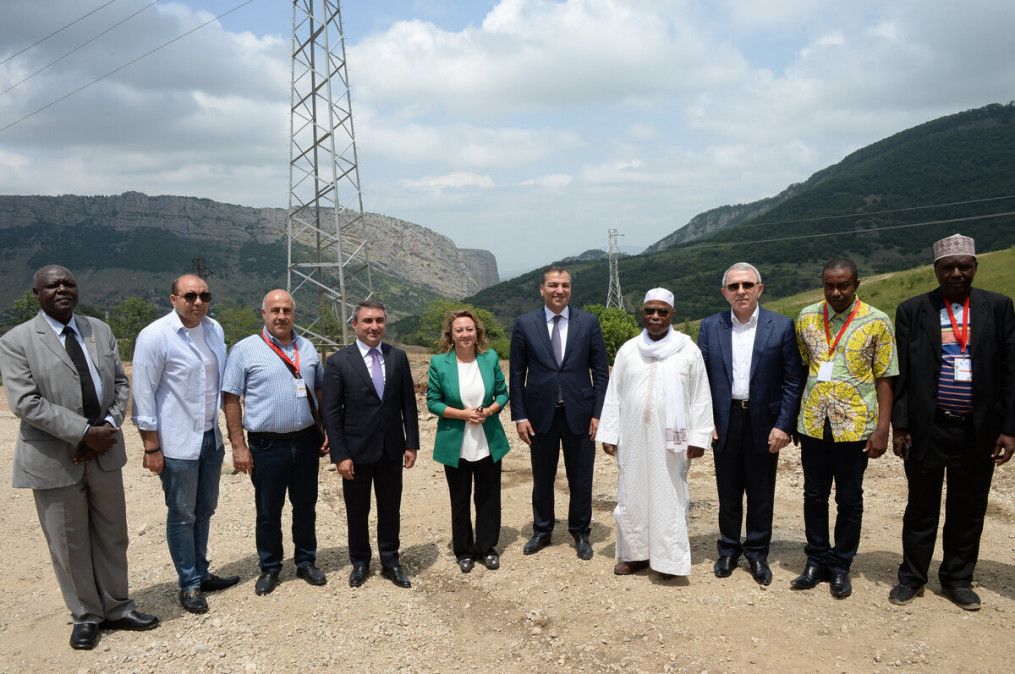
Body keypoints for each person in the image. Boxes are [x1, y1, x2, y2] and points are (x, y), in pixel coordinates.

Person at [0, 265, 158, 650]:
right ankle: (86, 615)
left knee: (111, 534)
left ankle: (118, 606)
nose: (62, 289)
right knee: (68, 542)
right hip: (55, 458)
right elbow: (25, 402)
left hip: (104, 452)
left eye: (68, 283)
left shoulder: (98, 330)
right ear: (37, 293)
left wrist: (106, 425)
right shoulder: (17, 340)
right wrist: (84, 433)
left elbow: (121, 383)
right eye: (52, 285)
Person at [890, 233, 1015, 611]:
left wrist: (1009, 428)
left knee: (969, 506)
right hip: (928, 427)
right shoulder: (913, 310)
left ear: (975, 267)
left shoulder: (998, 308)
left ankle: (957, 578)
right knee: (920, 506)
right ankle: (912, 576)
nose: (957, 273)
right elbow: (903, 376)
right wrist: (901, 425)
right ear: (936, 270)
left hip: (978, 429)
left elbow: (1011, 371)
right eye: (948, 267)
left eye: (964, 266)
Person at [131, 274, 239, 614]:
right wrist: (151, 447)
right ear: (173, 298)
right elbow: (143, 395)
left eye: (204, 296)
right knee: (182, 514)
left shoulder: (214, 329)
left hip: (210, 437)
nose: (198, 302)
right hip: (177, 443)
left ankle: (202, 571)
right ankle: (189, 583)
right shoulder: (155, 336)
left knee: (205, 509)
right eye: (190, 295)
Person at [792, 258, 898, 598]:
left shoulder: (877, 321)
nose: (836, 292)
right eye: (830, 285)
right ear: (822, 284)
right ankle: (816, 560)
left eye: (844, 285)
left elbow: (885, 378)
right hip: (813, 423)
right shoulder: (807, 316)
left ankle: (841, 565)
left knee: (850, 498)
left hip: (855, 426)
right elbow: (804, 367)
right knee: (813, 494)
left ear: (856, 284)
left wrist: (883, 428)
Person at [698, 263, 804, 586]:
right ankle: (728, 549)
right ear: (724, 293)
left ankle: (757, 552)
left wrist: (784, 425)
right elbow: (699, 380)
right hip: (724, 420)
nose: (740, 291)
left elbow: (792, 381)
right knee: (727, 492)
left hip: (764, 422)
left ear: (760, 288)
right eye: (734, 287)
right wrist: (705, 422)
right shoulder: (709, 326)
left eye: (747, 285)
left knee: (761, 493)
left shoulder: (782, 326)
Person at [596, 288, 713, 578]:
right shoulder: (628, 350)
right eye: (650, 311)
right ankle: (634, 555)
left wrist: (699, 438)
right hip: (633, 435)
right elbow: (615, 394)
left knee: (669, 495)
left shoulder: (688, 349)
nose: (656, 316)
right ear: (643, 313)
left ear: (672, 314)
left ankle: (668, 559)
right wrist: (609, 432)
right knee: (632, 493)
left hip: (672, 439)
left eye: (662, 311)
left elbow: (700, 396)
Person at [222, 290, 328, 596]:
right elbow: (230, 398)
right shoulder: (244, 350)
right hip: (266, 446)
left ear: (294, 314)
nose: (281, 316)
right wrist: (239, 446)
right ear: (263, 314)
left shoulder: (306, 347)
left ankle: (306, 562)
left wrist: (325, 428)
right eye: (275, 311)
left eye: (287, 311)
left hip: (306, 441)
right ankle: (270, 567)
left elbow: (318, 389)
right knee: (268, 510)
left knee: (306, 506)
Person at [509, 267, 609, 560]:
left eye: (565, 285)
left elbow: (601, 372)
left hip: (580, 412)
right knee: (542, 476)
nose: (559, 290)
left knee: (581, 477)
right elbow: (516, 373)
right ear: (542, 289)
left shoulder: (587, 322)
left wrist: (598, 413)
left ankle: (580, 531)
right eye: (553, 285)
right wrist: (520, 415)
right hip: (540, 415)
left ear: (570, 289)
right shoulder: (525, 324)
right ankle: (542, 530)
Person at [322, 300, 420, 589]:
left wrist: (411, 443)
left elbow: (408, 404)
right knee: (357, 510)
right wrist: (340, 455)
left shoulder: (398, 357)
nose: (374, 326)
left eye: (379, 320)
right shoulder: (339, 361)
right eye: (367, 321)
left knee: (390, 508)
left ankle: (390, 560)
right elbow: (332, 412)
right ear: (355, 325)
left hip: (391, 449)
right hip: (356, 452)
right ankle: (361, 562)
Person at [426, 310, 511, 573]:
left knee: (488, 497)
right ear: (450, 335)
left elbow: (502, 393)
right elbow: (433, 401)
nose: (465, 334)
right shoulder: (439, 363)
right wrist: (463, 414)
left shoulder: (490, 358)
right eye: (459, 330)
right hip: (456, 442)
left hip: (487, 439)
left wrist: (488, 411)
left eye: (469, 329)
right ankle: (464, 550)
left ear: (477, 332)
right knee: (460, 498)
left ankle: (487, 547)